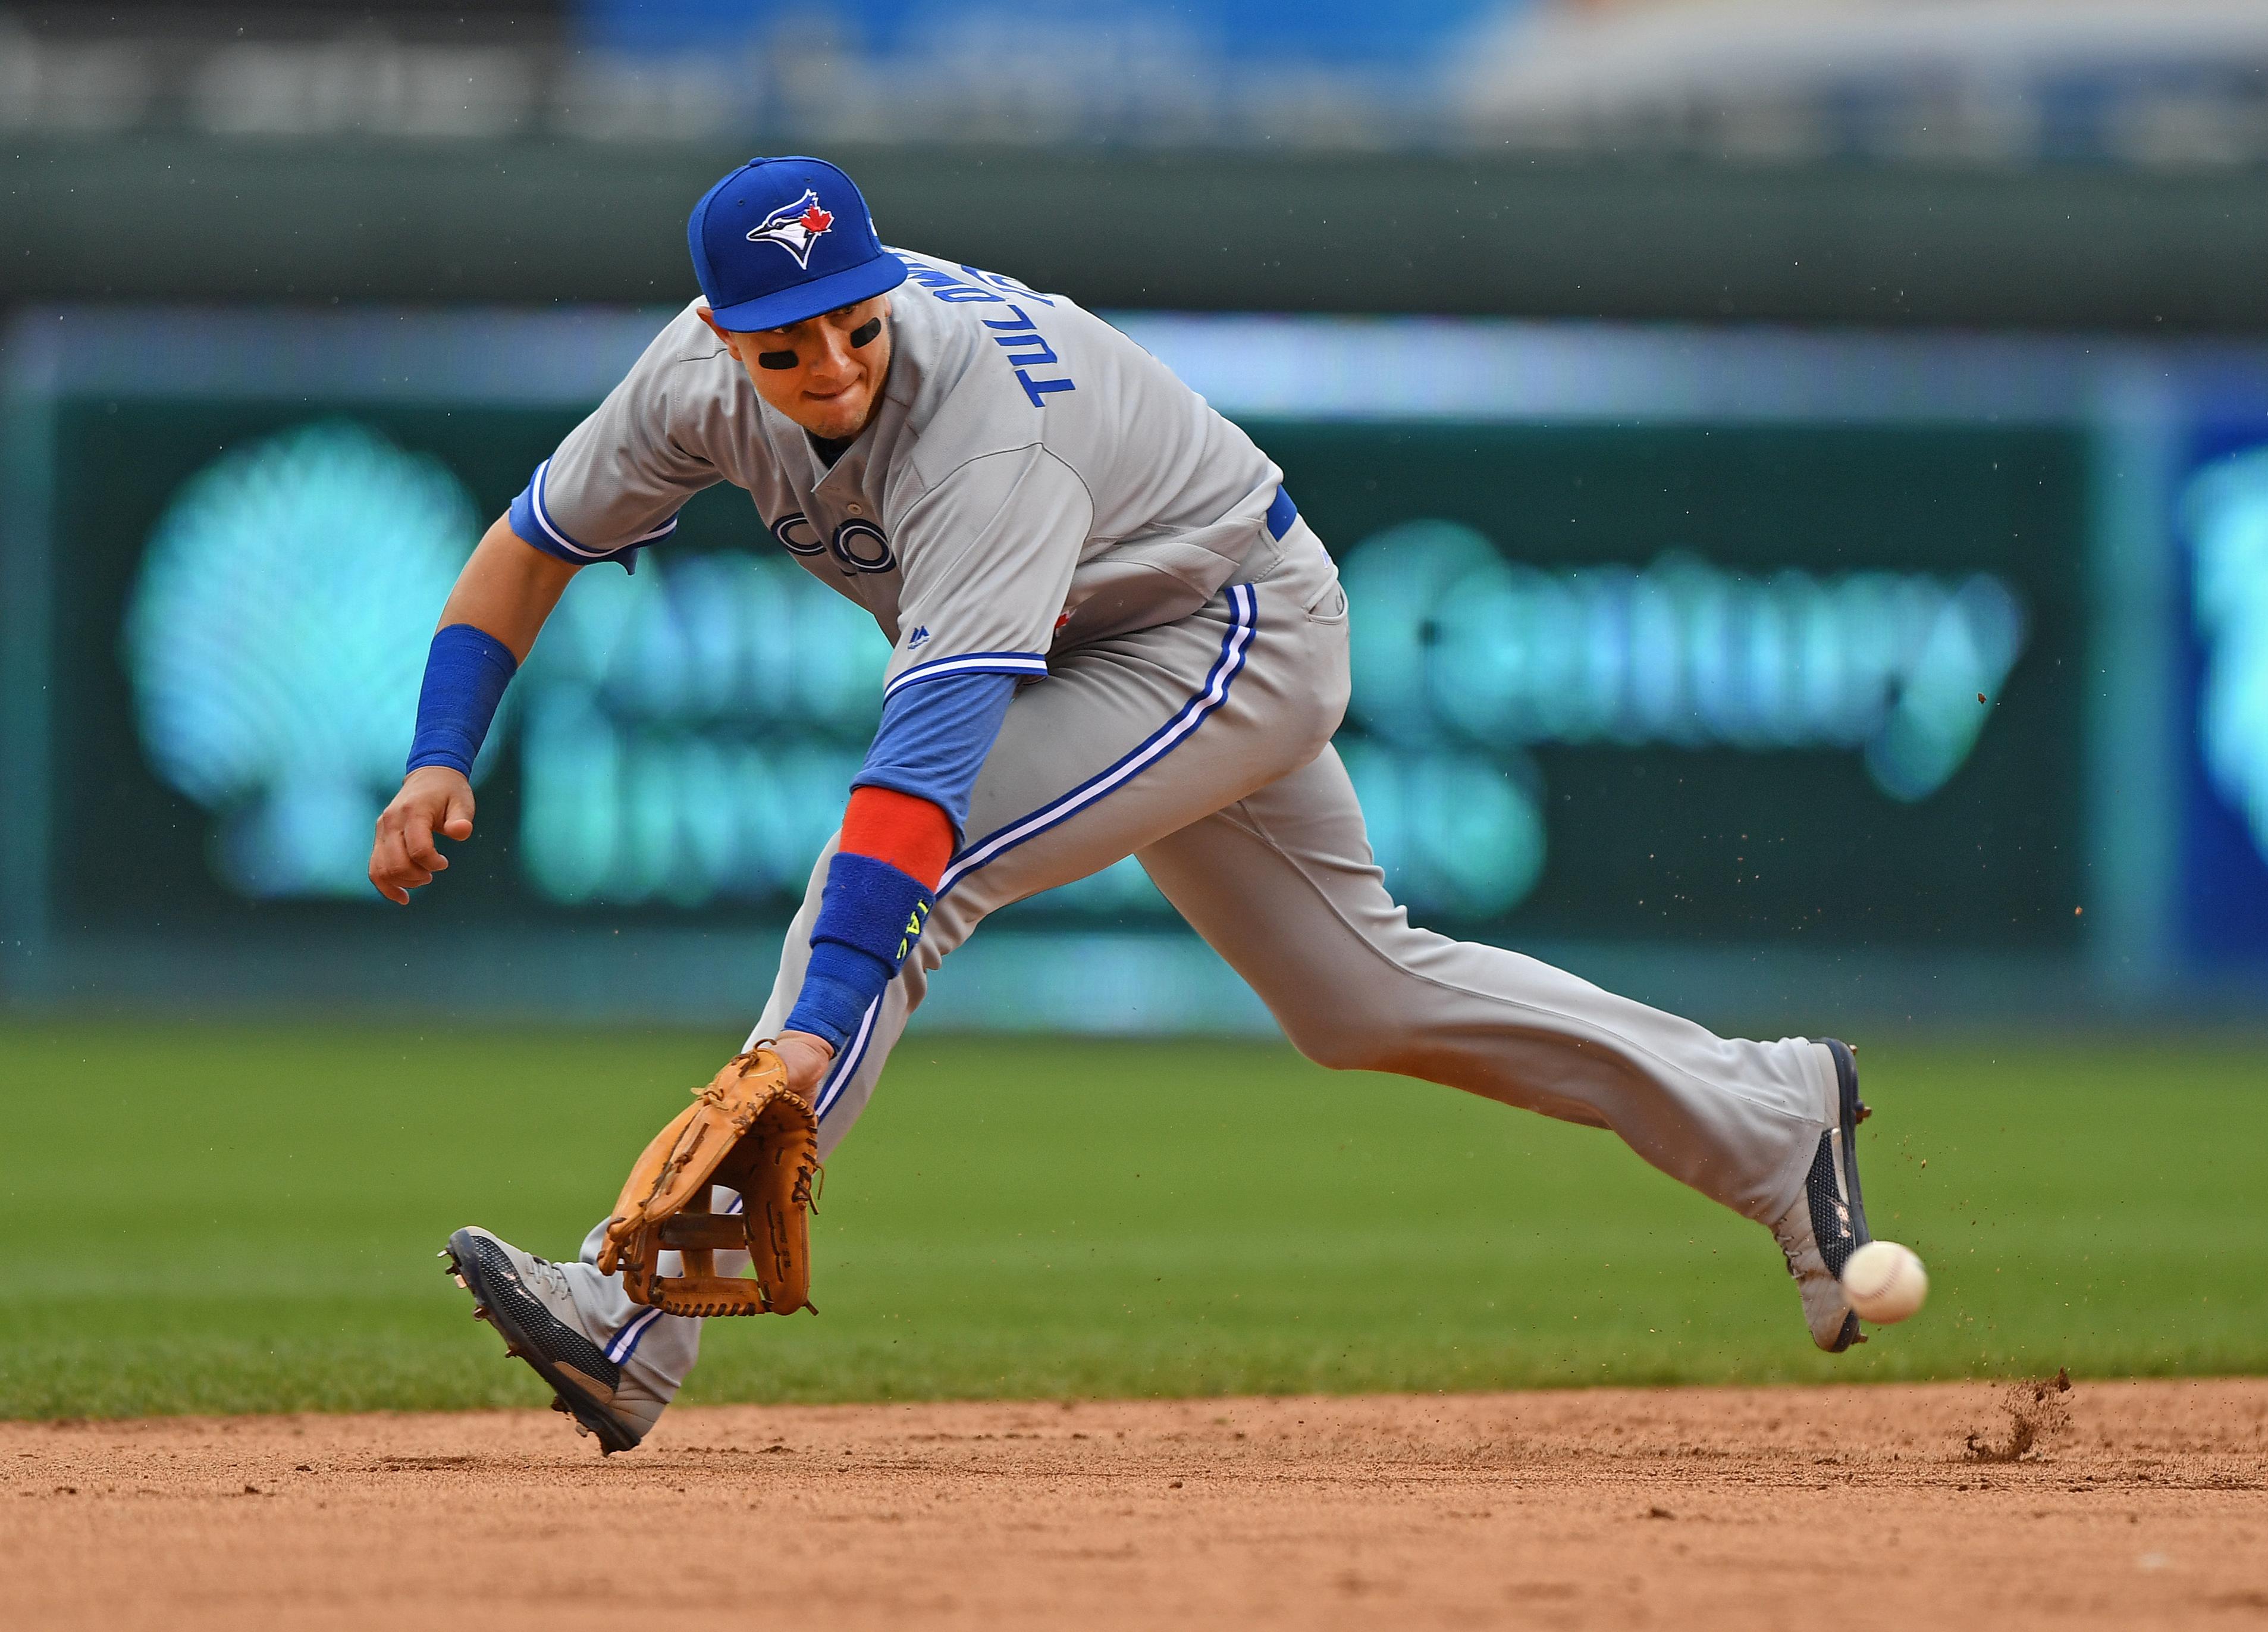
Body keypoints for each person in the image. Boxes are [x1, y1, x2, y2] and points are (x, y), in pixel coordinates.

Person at [372, 156, 1878, 1454]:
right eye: (788, 339)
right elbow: (527, 547)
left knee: (899, 885)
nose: (831, 356)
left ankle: (634, 1322)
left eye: (857, 316)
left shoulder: (981, 435)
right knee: (1360, 997)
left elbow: (922, 780)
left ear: (884, 284)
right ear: (720, 331)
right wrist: (443, 750)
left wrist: (816, 1030)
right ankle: (1770, 1115)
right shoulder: (689, 383)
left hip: (1227, 625)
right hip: (1118, 642)